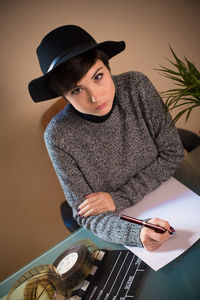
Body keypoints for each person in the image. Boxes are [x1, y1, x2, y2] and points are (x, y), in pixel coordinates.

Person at [28, 25, 184, 251]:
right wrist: (137, 233)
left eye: (98, 76)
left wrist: (118, 198)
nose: (95, 96)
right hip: (126, 224)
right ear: (64, 95)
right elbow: (88, 216)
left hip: (176, 194)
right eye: (76, 90)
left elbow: (173, 154)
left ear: (108, 67)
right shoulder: (58, 136)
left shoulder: (137, 87)